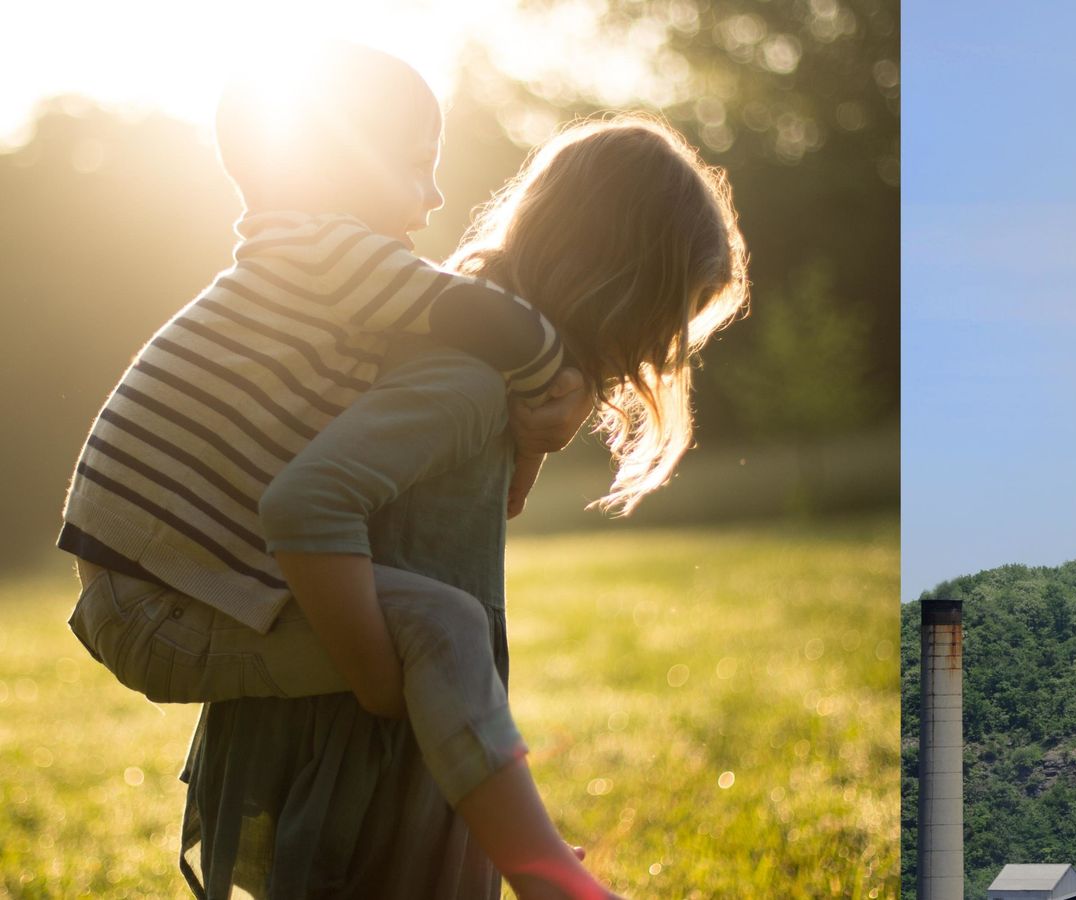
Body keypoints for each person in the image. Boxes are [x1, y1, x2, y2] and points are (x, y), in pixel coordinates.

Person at [60, 41, 742, 898]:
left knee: (442, 627)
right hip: (157, 598)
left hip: (164, 587)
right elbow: (308, 504)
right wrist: (384, 680)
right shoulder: (417, 337)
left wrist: (530, 436)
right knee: (443, 626)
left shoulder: (377, 311)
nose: (435, 199)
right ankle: (559, 884)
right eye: (664, 325)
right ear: (623, 291)